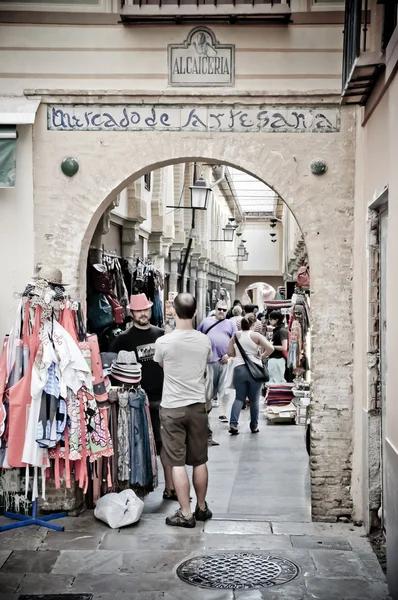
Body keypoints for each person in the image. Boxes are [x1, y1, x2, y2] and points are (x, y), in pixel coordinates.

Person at [154, 293, 213, 528]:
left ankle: (186, 513)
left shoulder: (164, 342)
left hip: (172, 408)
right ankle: (201, 507)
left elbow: (161, 364)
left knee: (177, 462)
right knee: (199, 460)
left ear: (173, 312)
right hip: (197, 406)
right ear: (196, 311)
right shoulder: (203, 341)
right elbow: (206, 363)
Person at [110, 293, 175, 500]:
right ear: (132, 313)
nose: (143, 314)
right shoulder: (123, 339)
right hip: (136, 401)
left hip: (163, 397)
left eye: (146, 309)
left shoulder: (162, 335)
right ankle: (140, 486)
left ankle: (171, 487)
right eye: (139, 311)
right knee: (141, 444)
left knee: (166, 445)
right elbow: (110, 367)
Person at [227, 314, 274, 434]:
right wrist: (261, 356)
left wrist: (238, 354)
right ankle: (254, 426)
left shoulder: (235, 336)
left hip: (239, 369)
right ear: (253, 325)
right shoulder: (256, 335)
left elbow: (230, 353)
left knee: (239, 398)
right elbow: (270, 348)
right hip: (255, 371)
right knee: (254, 400)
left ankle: (233, 424)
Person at [198, 300, 238, 426]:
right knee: (208, 389)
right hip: (209, 361)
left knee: (224, 389)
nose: (221, 311)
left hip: (224, 361)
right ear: (215, 309)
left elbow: (236, 342)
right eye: (219, 309)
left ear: (227, 311)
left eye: (224, 310)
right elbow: (198, 337)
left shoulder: (231, 324)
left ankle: (222, 413)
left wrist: (229, 356)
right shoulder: (206, 322)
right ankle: (206, 411)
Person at [268, 310, 288, 383]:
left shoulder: (282, 330)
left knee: (275, 382)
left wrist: (271, 346)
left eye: (271, 319)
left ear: (276, 320)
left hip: (277, 359)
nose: (269, 321)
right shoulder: (278, 330)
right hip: (275, 359)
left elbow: (284, 347)